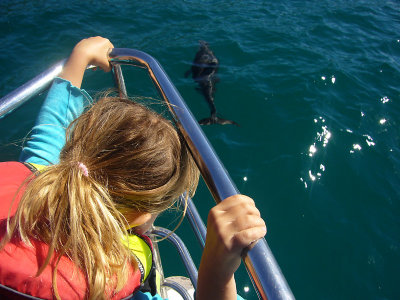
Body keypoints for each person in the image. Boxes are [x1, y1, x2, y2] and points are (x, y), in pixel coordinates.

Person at [0, 37, 266, 300]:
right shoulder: (109, 282)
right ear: (142, 213)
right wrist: (216, 272)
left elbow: (50, 130)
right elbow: (50, 128)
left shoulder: (38, 178)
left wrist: (78, 58)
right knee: (182, 287)